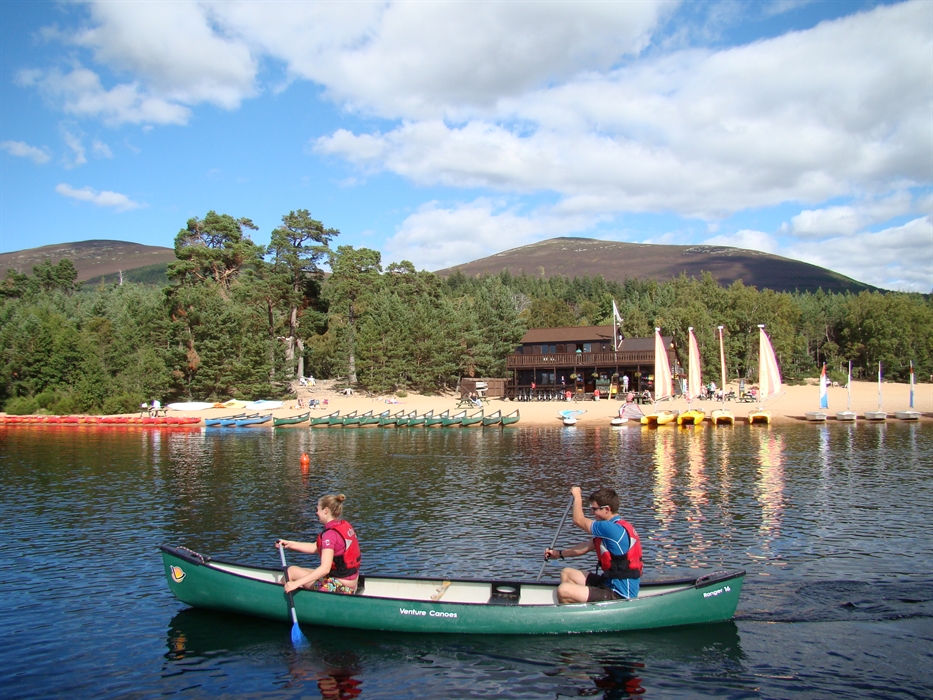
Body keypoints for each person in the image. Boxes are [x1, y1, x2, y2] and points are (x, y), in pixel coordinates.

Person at [544, 486, 642, 603]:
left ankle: (574, 617)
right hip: (608, 583)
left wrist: (577, 496)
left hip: (619, 594)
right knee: (567, 573)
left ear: (607, 509)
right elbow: (586, 546)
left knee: (563, 590)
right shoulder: (609, 530)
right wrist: (558, 554)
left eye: (594, 509)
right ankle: (578, 611)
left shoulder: (610, 528)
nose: (592, 512)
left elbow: (578, 520)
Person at [276, 494, 361, 595]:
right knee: (298, 571)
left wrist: (296, 583)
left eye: (318, 510)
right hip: (351, 584)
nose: (316, 513)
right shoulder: (343, 525)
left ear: (325, 510)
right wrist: (289, 544)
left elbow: (325, 569)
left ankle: (275, 599)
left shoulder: (330, 535)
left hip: (340, 588)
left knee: (291, 571)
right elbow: (315, 547)